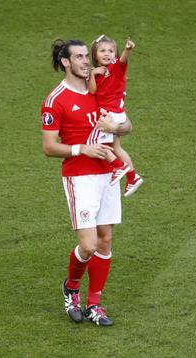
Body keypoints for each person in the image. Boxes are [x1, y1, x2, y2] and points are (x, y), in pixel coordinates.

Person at [41, 38, 132, 326]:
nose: (85, 61)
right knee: (89, 245)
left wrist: (116, 127)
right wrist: (83, 148)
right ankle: (71, 287)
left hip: (108, 175)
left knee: (105, 241)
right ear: (66, 62)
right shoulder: (56, 100)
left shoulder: (101, 84)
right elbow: (48, 146)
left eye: (85, 56)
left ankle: (95, 304)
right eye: (78, 57)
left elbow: (126, 126)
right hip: (80, 177)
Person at [87, 34, 144, 197]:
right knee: (115, 147)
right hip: (114, 113)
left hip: (110, 115)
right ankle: (133, 177)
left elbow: (123, 60)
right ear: (95, 55)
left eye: (111, 51)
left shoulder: (116, 66)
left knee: (97, 144)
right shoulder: (95, 72)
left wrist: (127, 49)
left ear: (115, 54)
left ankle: (120, 166)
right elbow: (92, 90)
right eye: (102, 50)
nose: (107, 53)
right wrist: (92, 74)